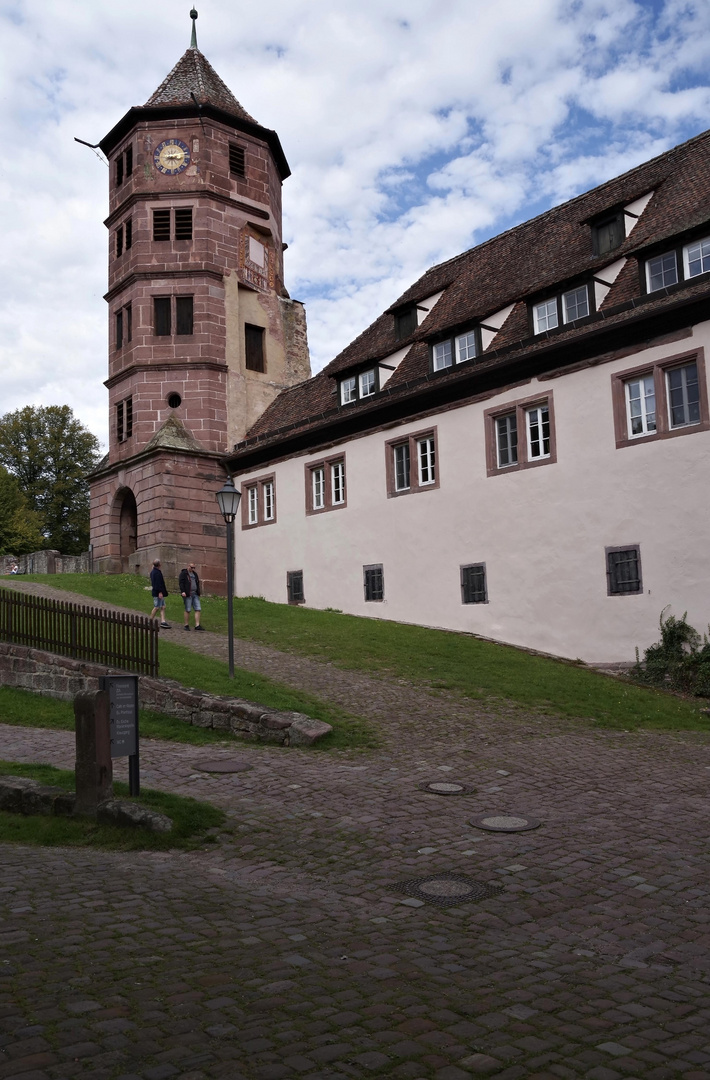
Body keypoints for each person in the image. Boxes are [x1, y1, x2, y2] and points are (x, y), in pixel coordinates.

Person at [179, 561, 203, 630]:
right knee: (188, 609)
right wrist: (183, 591)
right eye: (191, 567)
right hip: (188, 594)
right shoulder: (184, 574)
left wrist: (198, 591)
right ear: (188, 566)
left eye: (194, 568)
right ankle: (186, 625)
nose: (193, 569)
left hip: (195, 593)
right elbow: (181, 583)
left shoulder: (195, 574)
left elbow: (197, 583)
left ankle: (197, 625)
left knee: (198, 608)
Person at [149, 559, 170, 628]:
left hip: (157, 592)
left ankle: (163, 621)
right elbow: (157, 584)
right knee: (156, 607)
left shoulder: (154, 571)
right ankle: (150, 621)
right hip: (157, 592)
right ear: (159, 564)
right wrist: (160, 592)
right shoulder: (156, 573)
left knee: (163, 606)